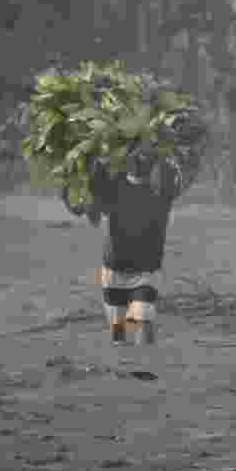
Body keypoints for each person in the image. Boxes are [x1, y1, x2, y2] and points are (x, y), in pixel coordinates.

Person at [65, 143, 187, 346]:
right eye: (139, 155)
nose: (143, 160)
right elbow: (86, 193)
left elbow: (176, 171)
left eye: (148, 156)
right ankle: (126, 370)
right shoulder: (114, 185)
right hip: (114, 272)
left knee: (143, 324)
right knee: (118, 334)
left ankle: (145, 371)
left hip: (145, 273)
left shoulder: (161, 190)